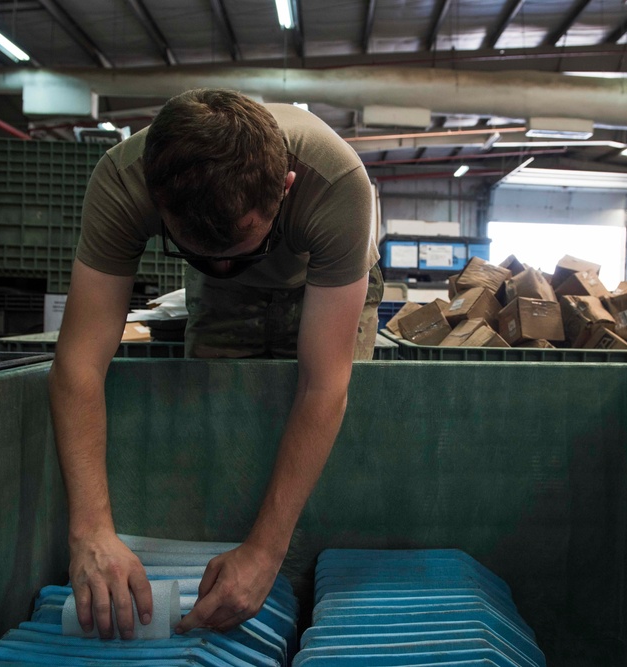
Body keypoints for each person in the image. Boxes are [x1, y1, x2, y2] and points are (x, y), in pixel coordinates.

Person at [48, 88, 382, 640]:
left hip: (325, 279)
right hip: (220, 299)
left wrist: (266, 552)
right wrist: (91, 532)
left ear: (286, 187)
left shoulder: (335, 180)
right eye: (205, 250)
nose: (226, 262)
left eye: (241, 246)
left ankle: (284, 579)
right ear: (157, 203)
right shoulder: (125, 179)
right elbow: (79, 365)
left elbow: (323, 387)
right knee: (219, 443)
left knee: (330, 439)